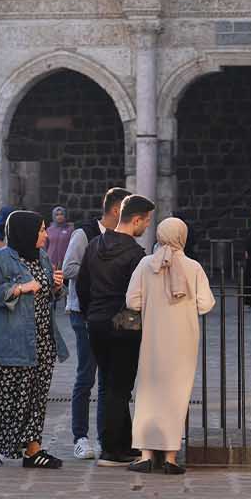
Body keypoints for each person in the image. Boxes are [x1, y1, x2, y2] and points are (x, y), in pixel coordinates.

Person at [0, 210, 68, 469]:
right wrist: (19, 288)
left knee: (36, 397)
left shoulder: (40, 257)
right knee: (5, 397)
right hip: (11, 342)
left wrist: (56, 286)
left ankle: (33, 450)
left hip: (41, 339)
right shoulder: (2, 258)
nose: (45, 235)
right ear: (26, 233)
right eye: (40, 230)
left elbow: (47, 295)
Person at [125, 217, 215, 475]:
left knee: (149, 392)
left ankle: (145, 454)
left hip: (153, 337)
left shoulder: (146, 264)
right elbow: (206, 304)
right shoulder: (193, 267)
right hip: (183, 340)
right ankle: (171, 457)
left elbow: (133, 301)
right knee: (176, 395)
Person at [76, 193, 151, 467]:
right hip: (124, 325)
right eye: (147, 221)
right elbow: (139, 296)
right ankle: (111, 450)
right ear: (136, 220)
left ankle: (124, 444)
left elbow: (82, 286)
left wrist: (89, 314)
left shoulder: (95, 244)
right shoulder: (135, 254)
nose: (147, 227)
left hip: (96, 322)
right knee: (120, 387)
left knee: (110, 384)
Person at [62, 188, 127, 460]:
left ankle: (104, 437)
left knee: (106, 379)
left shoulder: (122, 238)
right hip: (84, 312)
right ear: (115, 210)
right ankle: (80, 436)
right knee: (86, 375)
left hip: (109, 314)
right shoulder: (84, 234)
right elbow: (68, 269)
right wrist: (100, 268)